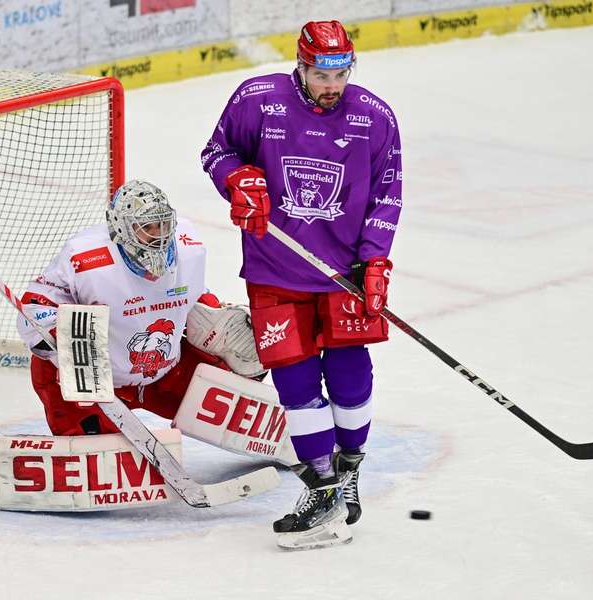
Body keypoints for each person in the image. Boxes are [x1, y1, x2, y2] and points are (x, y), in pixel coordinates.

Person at [200, 20, 403, 548]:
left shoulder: (374, 117)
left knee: (350, 373)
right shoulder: (256, 101)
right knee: (294, 384)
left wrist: (376, 261)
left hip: (345, 276)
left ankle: (349, 468)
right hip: (275, 271)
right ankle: (322, 484)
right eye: (320, 73)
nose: (332, 85)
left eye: (341, 73)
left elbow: (388, 194)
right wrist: (237, 180)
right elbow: (216, 153)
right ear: (301, 65)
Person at [16, 179, 262, 438]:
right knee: (104, 457)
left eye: (163, 225)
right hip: (98, 387)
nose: (159, 235)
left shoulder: (189, 250)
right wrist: (56, 331)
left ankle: (293, 432)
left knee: (240, 399)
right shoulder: (86, 258)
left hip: (164, 376)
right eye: (147, 228)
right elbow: (34, 307)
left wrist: (217, 319)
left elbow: (195, 295)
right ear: (122, 229)